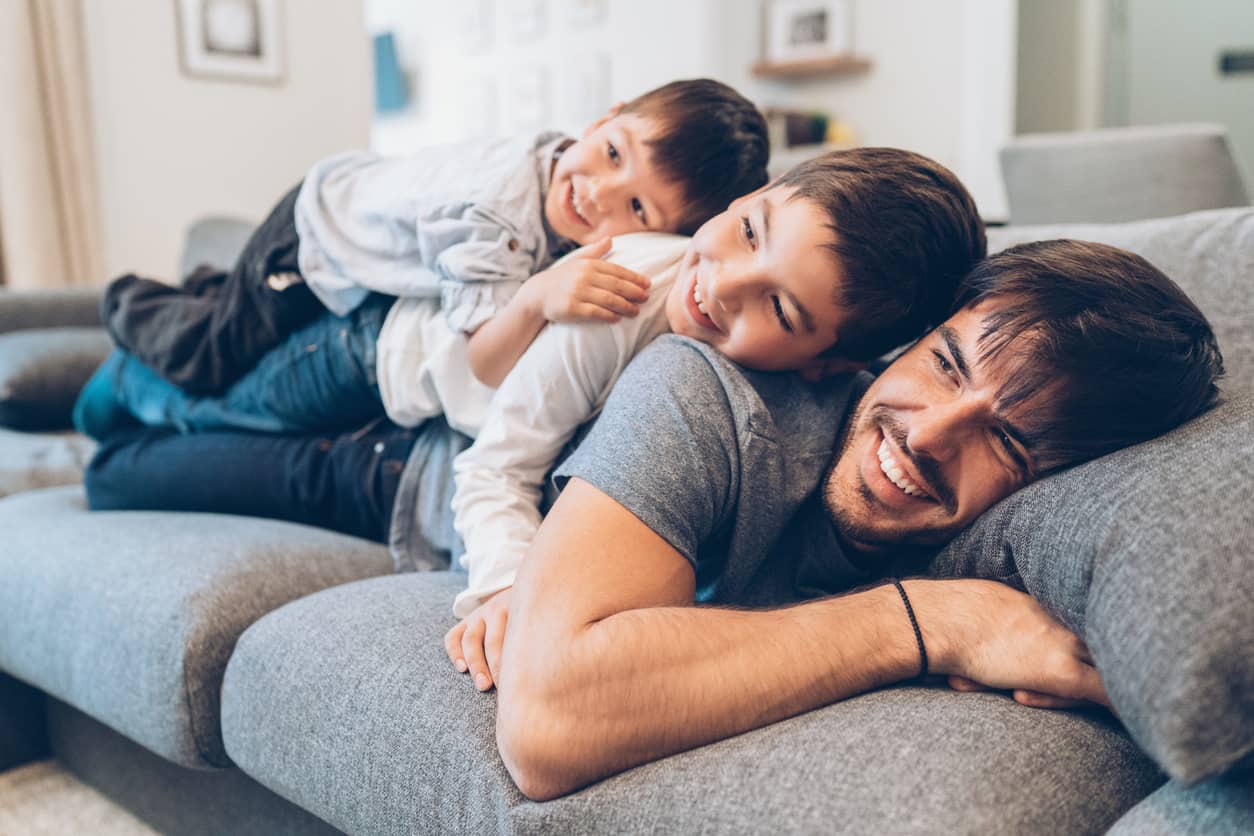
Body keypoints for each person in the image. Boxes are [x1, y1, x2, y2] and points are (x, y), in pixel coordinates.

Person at [77, 147, 988, 618]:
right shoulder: (632, 287)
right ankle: (122, 376)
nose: (722, 289)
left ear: (834, 363)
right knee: (151, 428)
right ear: (751, 198)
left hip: (412, 446)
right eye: (747, 231)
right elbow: (498, 468)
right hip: (424, 449)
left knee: (117, 475)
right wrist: (507, 589)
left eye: (780, 312)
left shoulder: (846, 414)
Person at [472, 238, 1223, 800]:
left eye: (1005, 441)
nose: (926, 436)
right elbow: (550, 718)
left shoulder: (1019, 542)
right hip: (413, 459)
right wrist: (930, 623)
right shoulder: (705, 395)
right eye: (945, 365)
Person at [95, 79, 770, 396]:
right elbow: (484, 363)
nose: (596, 195)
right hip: (312, 239)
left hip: (351, 216)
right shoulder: (497, 215)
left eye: (637, 210)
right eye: (615, 155)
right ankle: (130, 300)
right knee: (213, 358)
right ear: (606, 116)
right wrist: (536, 299)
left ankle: (214, 288)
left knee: (238, 317)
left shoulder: (558, 161)